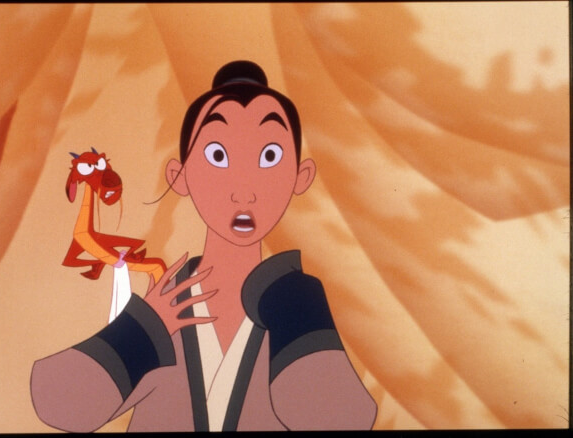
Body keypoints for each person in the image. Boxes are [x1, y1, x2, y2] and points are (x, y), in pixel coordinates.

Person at [30, 60, 377, 432]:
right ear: (180, 176)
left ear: (300, 176)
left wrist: (300, 316)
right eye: (218, 156)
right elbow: (57, 403)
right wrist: (144, 331)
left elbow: (345, 422)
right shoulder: (163, 306)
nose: (244, 190)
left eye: (269, 156)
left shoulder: (293, 300)